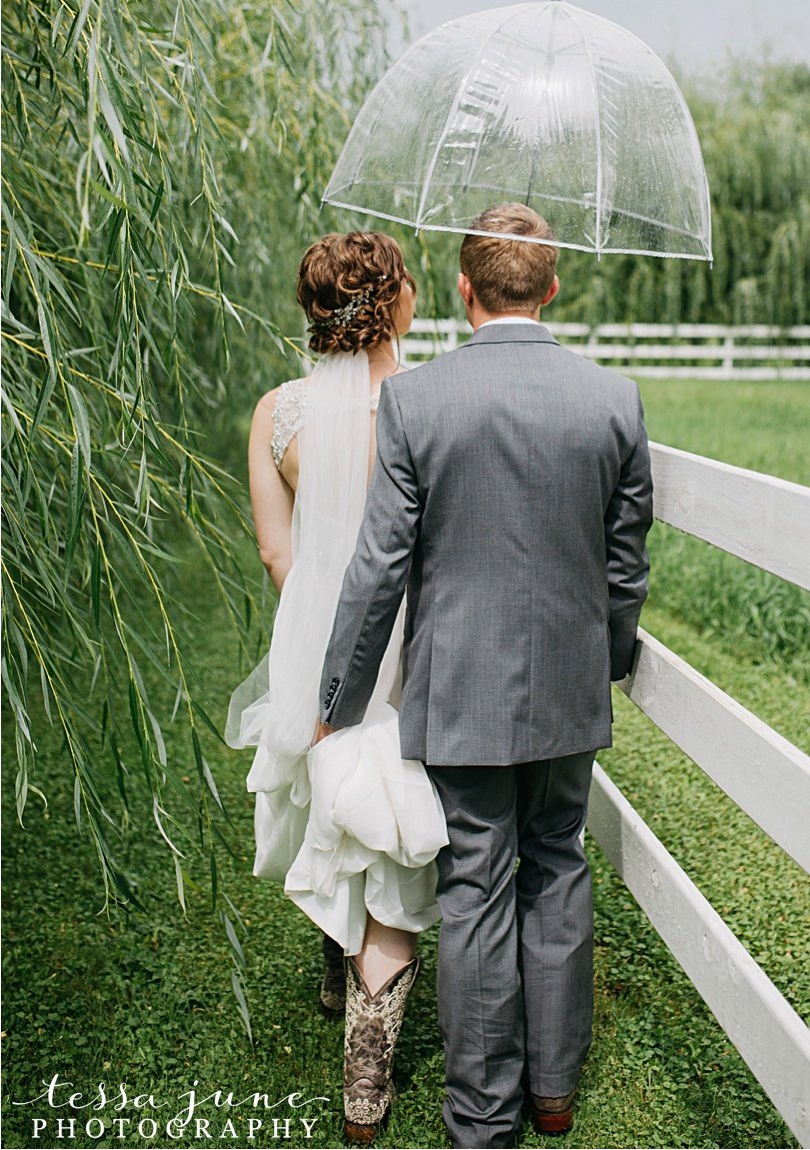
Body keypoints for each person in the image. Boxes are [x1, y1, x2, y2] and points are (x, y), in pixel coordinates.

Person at [317, 202, 653, 1148]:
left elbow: (379, 567)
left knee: (474, 886)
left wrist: (339, 703)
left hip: (458, 689)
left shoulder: (419, 401)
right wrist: (609, 656)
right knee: (556, 864)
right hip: (567, 689)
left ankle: (481, 1114)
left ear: (465, 290)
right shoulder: (613, 399)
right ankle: (552, 1091)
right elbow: (624, 564)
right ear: (552, 286)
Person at [231, 231, 448, 1144]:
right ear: (392, 300)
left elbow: (279, 552)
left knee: (331, 779)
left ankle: (336, 964)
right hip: (411, 636)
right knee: (392, 807)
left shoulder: (277, 415)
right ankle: (368, 1064)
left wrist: (322, 628)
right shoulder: (430, 403)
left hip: (315, 633)